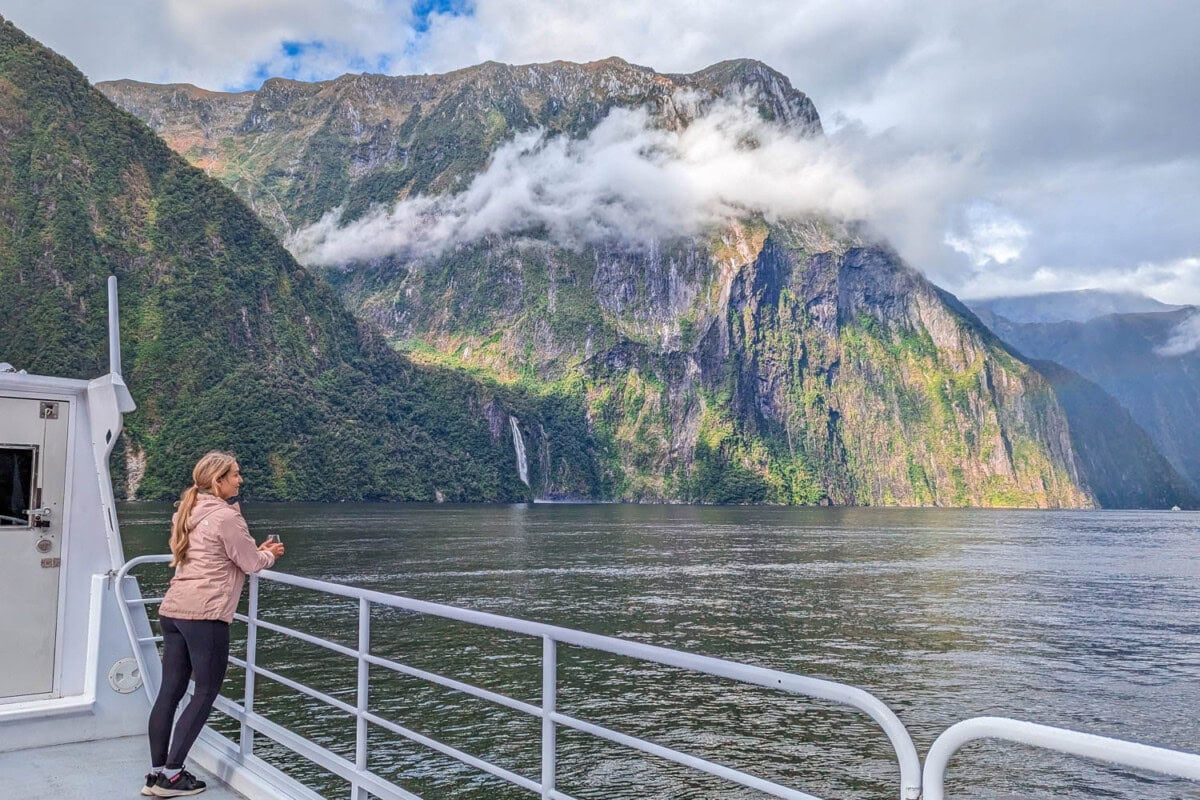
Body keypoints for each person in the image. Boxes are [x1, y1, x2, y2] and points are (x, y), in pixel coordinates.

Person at [143, 451, 285, 797]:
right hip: (204, 615)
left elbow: (218, 553)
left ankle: (155, 773)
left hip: (173, 610)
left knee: (170, 692)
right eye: (235, 475)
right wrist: (271, 554)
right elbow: (250, 563)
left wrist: (251, 548)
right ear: (218, 481)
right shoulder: (225, 517)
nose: (240, 479)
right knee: (205, 691)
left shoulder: (187, 510)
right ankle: (173, 777)